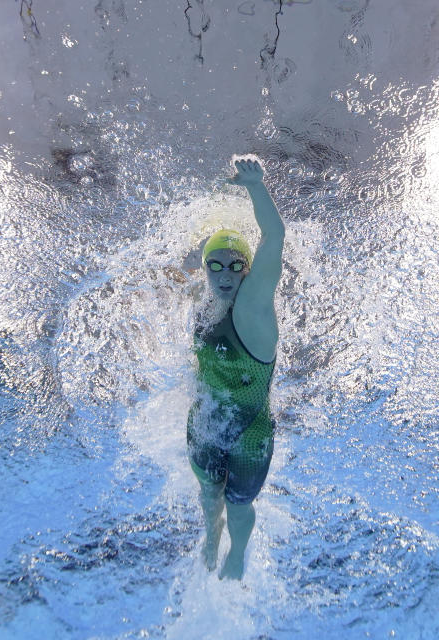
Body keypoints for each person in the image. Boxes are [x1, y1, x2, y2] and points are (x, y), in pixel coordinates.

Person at [186, 157, 285, 580]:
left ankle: (238, 551)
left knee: (239, 503)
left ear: (248, 269)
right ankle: (211, 535)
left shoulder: (252, 309)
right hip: (206, 421)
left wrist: (255, 186)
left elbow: (275, 236)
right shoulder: (206, 303)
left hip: (249, 433)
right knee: (210, 495)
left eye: (236, 265)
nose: (225, 275)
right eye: (215, 265)